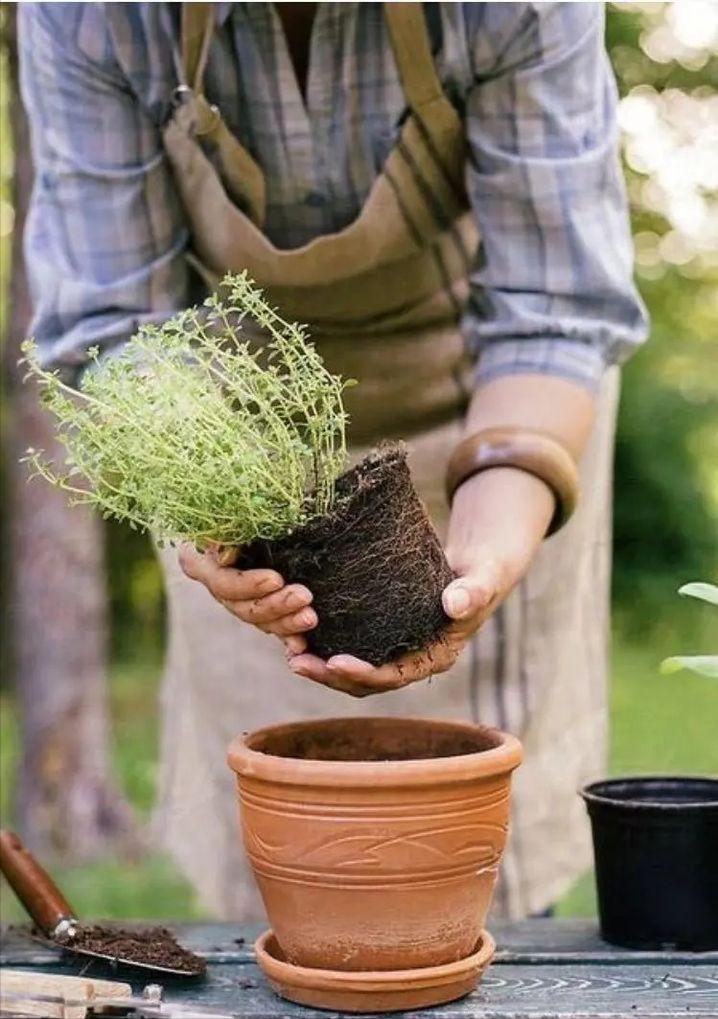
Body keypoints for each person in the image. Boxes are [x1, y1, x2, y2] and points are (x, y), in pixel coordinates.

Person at [19, 2, 647, 920]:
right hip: (229, 439)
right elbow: (119, 329)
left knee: (480, 856)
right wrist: (216, 519)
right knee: (284, 849)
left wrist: (497, 526)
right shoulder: (92, 15)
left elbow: (553, 309)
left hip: (488, 419)